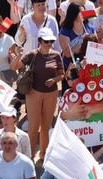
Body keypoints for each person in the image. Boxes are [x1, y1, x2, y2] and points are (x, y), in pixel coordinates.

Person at [10, 29, 64, 157]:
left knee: (46, 125)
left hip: (51, 93)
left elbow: (62, 74)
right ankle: (30, 154)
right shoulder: (32, 54)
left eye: (51, 41)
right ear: (40, 41)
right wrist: (18, 55)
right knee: (33, 126)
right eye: (46, 41)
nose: (49, 43)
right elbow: (14, 67)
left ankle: (44, 154)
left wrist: (54, 80)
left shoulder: (56, 55)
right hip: (33, 93)